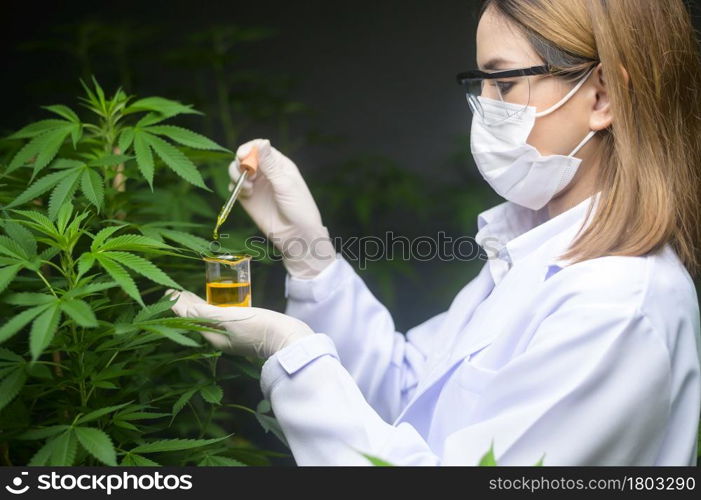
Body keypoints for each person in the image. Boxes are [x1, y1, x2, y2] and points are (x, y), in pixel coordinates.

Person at [167, 0, 701, 465]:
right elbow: (409, 398)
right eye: (481, 83)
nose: (484, 107)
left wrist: (291, 348)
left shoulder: (617, 308)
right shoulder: (534, 252)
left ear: (603, 96)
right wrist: (310, 256)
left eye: (506, 82)